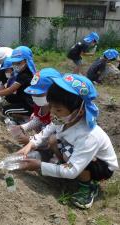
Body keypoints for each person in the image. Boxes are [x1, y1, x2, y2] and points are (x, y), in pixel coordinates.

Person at [16, 74, 118, 209]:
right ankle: (60, 165)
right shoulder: (64, 118)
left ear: (80, 111)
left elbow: (72, 171)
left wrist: (39, 165)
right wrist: (30, 145)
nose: (52, 112)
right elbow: (46, 131)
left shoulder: (88, 136)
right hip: (74, 152)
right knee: (51, 140)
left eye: (58, 109)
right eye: (50, 106)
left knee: (82, 163)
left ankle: (87, 188)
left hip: (100, 166)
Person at [13, 68, 62, 145]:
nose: (35, 96)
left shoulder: (59, 112)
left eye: (39, 94)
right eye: (33, 93)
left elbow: (53, 131)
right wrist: (23, 127)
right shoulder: (40, 104)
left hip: (58, 139)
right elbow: (37, 119)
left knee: (52, 139)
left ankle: (46, 151)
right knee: (33, 117)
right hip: (44, 133)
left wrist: (31, 140)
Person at [0, 46, 36, 121]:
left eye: (18, 63)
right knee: (8, 97)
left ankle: (28, 118)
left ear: (26, 61)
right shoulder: (21, 72)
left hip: (28, 105)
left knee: (6, 111)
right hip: (22, 99)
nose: (15, 65)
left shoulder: (26, 74)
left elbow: (11, 90)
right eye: (14, 63)